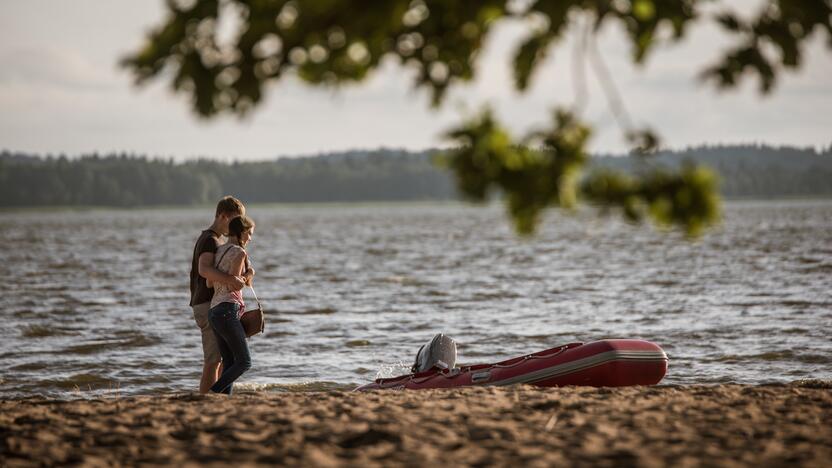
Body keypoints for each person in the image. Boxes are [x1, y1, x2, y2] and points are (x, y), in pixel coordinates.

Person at [189, 196, 252, 393]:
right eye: (234, 221)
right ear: (223, 216)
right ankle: (207, 398)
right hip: (207, 302)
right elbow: (204, 269)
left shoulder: (220, 242)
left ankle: (215, 398)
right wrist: (231, 280)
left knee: (223, 359)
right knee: (213, 360)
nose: (236, 226)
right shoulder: (210, 239)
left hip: (212, 303)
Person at [208, 215, 256, 395]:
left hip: (214, 311)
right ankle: (213, 393)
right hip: (228, 309)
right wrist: (248, 273)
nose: (250, 238)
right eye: (249, 233)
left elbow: (209, 283)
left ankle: (222, 399)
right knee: (244, 362)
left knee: (229, 363)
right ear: (242, 232)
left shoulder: (219, 251)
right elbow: (234, 284)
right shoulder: (240, 252)